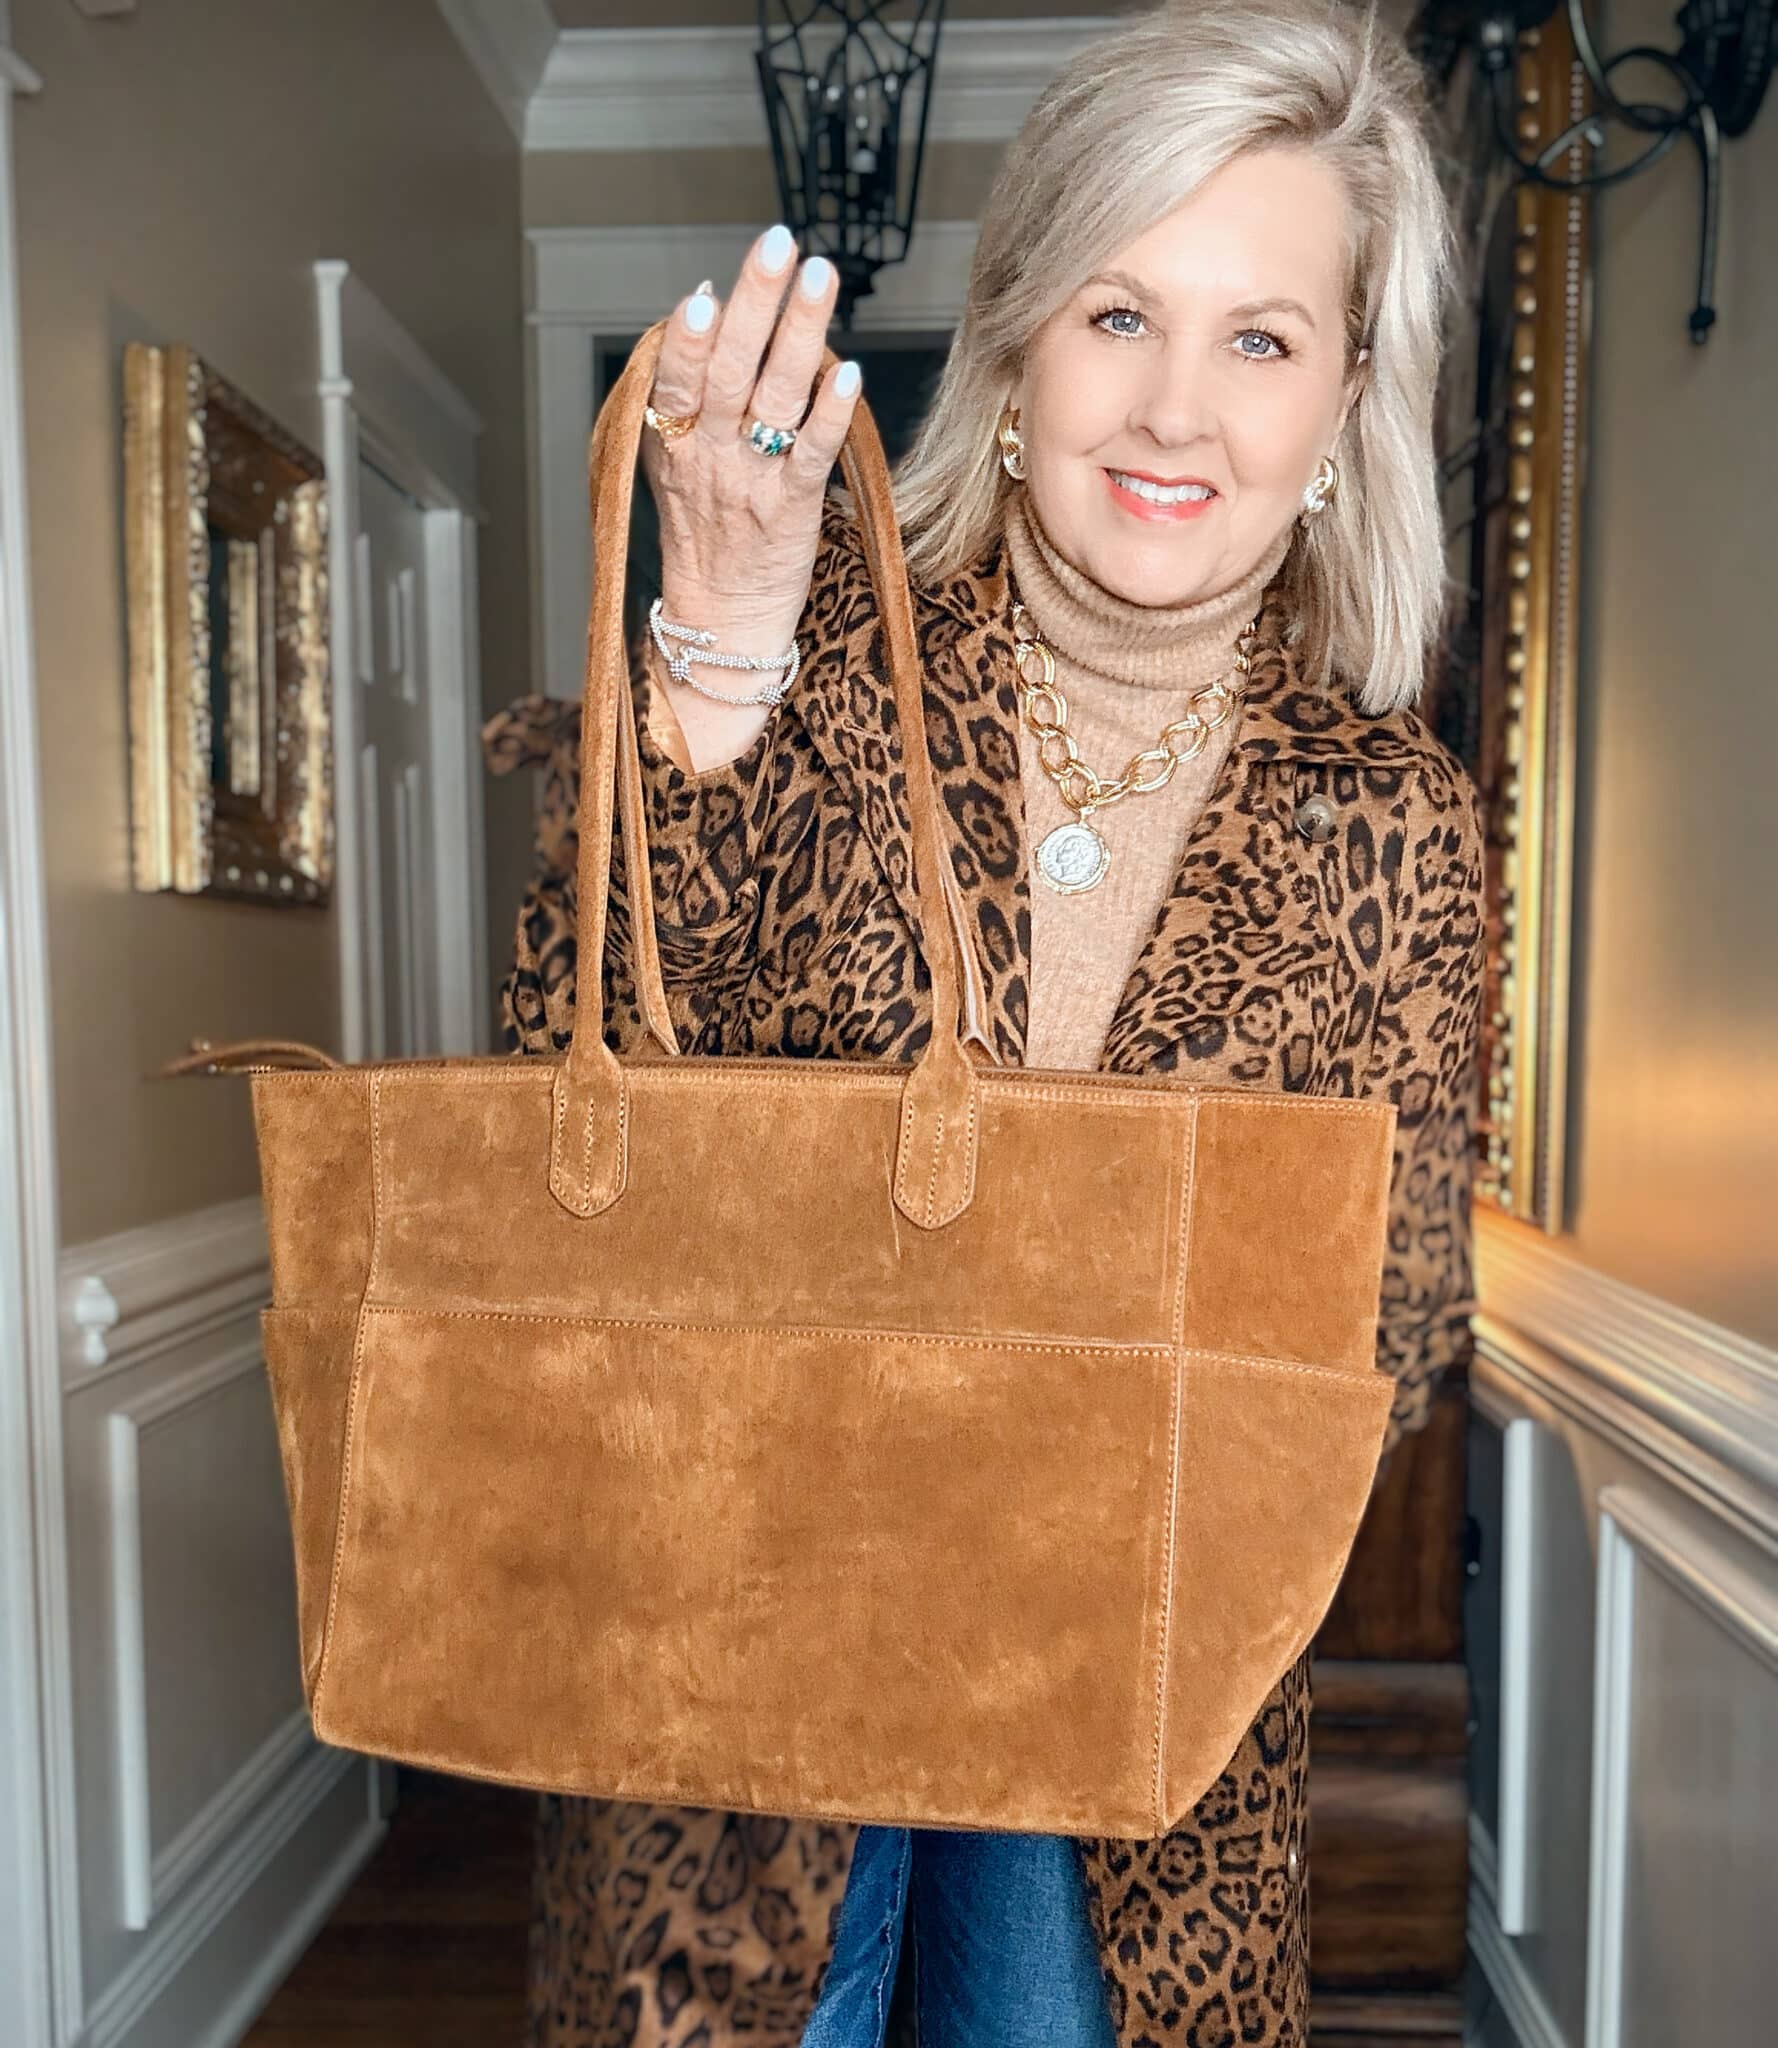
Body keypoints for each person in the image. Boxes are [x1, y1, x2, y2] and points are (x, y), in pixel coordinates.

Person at [484, 2, 1484, 2042]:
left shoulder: (1395, 824)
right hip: (737, 1703)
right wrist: (720, 653)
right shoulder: (807, 670)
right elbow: (561, 1106)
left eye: (1260, 337)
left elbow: (1379, 1341)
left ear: (1344, 400)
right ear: (1019, 343)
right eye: (1120, 312)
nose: (1176, 411)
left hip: (1135, 1739)